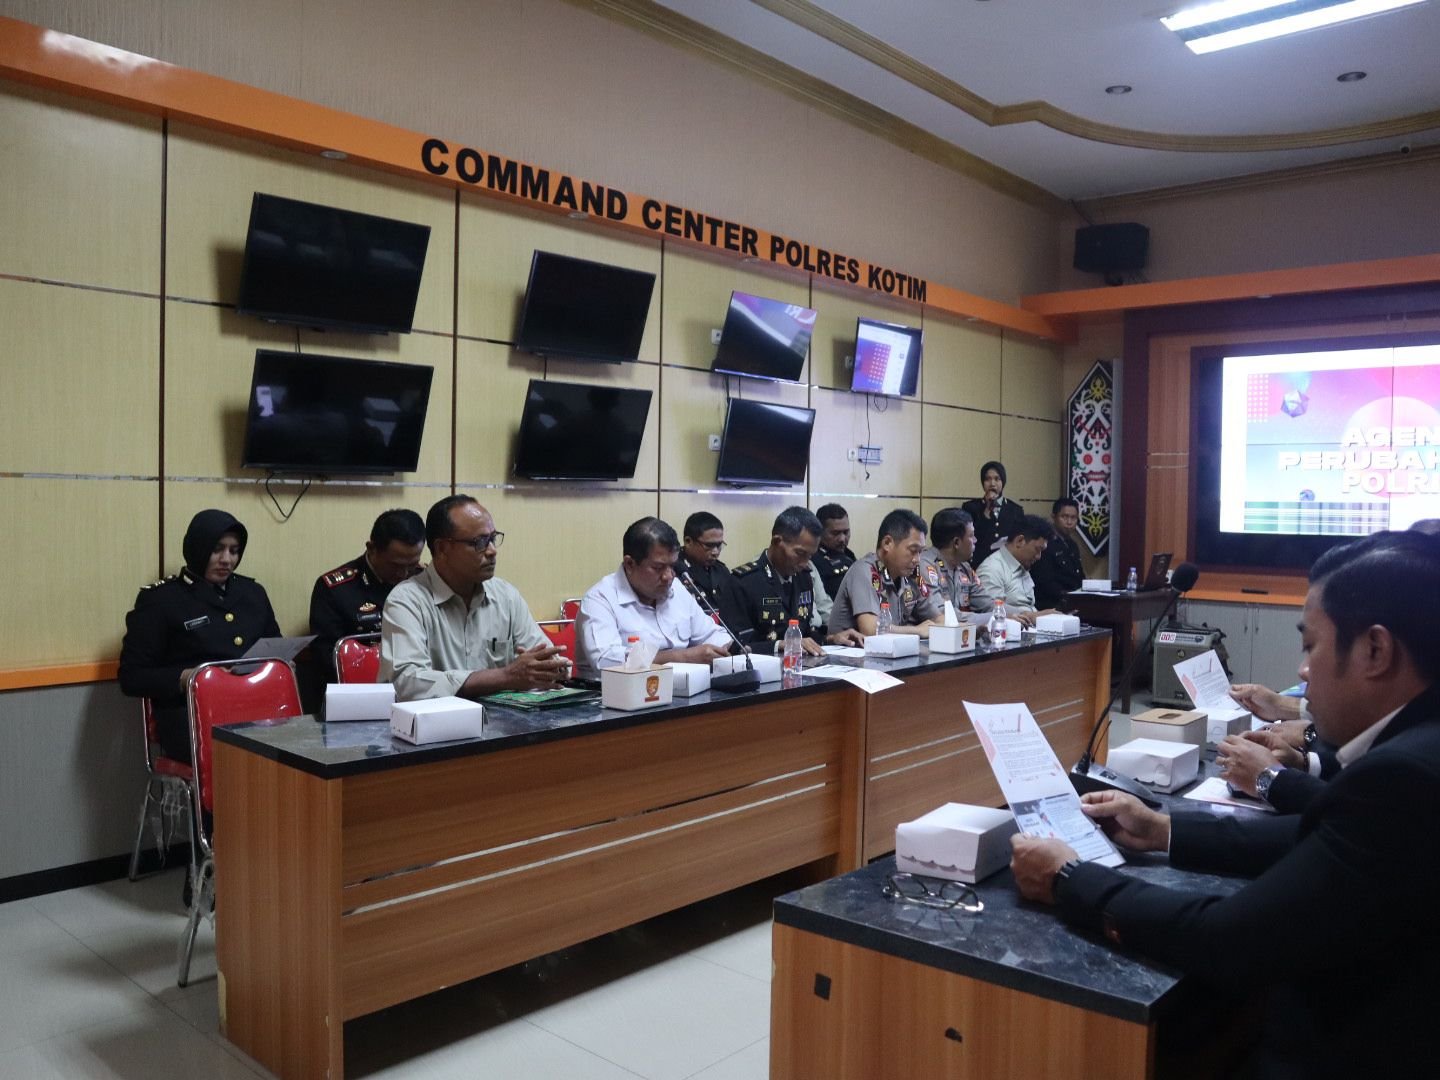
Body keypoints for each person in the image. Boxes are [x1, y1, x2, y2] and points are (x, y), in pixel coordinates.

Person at [1009, 530, 1440, 1077]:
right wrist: (1164, 830)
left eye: (1311, 647)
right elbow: (1319, 835)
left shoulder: (1404, 777)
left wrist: (1070, 879)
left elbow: (1233, 938)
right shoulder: (1416, 748)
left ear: (1375, 650)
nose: (1303, 673)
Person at [119, 509, 281, 763]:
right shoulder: (161, 600)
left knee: (296, 749)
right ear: (197, 547)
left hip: (255, 707)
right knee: (243, 755)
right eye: (217, 549)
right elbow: (132, 677)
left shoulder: (252, 593)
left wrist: (282, 664)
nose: (226, 559)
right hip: (192, 715)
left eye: (234, 551)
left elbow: (275, 645)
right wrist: (186, 677)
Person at [380, 495, 567, 701]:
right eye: (480, 542)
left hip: (504, 718)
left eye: (493, 539)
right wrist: (506, 676)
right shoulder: (406, 601)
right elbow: (408, 682)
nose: (492, 551)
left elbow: (547, 659)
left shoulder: (506, 596)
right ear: (442, 548)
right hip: (438, 719)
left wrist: (553, 667)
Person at [575, 516, 734, 678]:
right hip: (616, 691)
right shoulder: (600, 599)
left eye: (672, 566)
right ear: (630, 564)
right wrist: (684, 657)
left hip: (682, 688)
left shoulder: (676, 588)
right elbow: (606, 663)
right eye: (658, 567)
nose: (668, 576)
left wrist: (725, 650)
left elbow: (714, 634)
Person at [308, 508, 425, 679]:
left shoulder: (422, 582)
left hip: (417, 681)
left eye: (412, 564)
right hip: (361, 685)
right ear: (371, 549)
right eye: (395, 565)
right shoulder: (336, 590)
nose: (404, 573)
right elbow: (327, 657)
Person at [730, 506, 865, 655]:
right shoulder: (744, 582)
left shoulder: (804, 577)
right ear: (777, 541)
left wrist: (830, 639)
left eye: (810, 556)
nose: (805, 563)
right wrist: (779, 645)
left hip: (800, 663)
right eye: (800, 553)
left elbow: (805, 635)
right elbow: (735, 646)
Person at [828, 509, 943, 637]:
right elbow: (871, 629)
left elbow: (937, 618)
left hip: (891, 647)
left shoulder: (911, 574)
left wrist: (951, 625)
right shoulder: (864, 571)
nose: (917, 560)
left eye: (920, 552)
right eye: (913, 550)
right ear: (887, 543)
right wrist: (918, 630)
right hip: (849, 649)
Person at [975, 514, 1053, 627]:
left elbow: (1029, 606)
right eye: (1037, 549)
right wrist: (1034, 616)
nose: (1038, 556)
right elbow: (992, 610)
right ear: (1020, 541)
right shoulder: (992, 569)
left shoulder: (1023, 564)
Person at [674, 510, 746, 630]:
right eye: (709, 546)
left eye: (719, 545)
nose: (715, 552)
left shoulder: (721, 571)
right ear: (688, 541)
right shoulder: (674, 570)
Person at [918, 507, 984, 614]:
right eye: (971, 536)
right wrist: (992, 617)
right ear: (956, 542)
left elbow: (987, 603)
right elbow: (941, 614)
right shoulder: (926, 566)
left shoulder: (965, 567)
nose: (975, 540)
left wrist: (1008, 613)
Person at [960, 460, 1023, 567]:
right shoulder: (970, 507)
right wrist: (987, 509)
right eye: (987, 479)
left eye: (997, 479)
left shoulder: (1015, 510)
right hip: (979, 564)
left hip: (1005, 564)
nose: (992, 483)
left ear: (1003, 482)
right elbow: (969, 537)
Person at [1029, 497, 1084, 610]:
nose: (1069, 522)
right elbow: (1044, 581)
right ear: (1054, 517)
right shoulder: (1045, 543)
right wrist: (1069, 596)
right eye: (1064, 517)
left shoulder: (1072, 545)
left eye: (1073, 518)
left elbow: (1079, 577)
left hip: (1072, 600)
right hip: (1051, 604)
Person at [811, 503, 856, 629]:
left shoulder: (848, 556)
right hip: (831, 625)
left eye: (846, 532)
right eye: (835, 533)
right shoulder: (813, 560)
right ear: (820, 532)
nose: (842, 539)